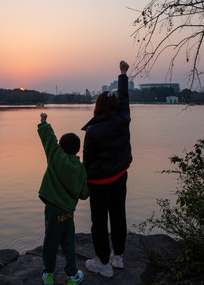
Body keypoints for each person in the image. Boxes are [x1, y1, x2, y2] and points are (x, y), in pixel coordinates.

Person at [81, 60, 132, 278]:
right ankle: (117, 256)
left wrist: (82, 180)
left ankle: (103, 262)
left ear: (98, 107)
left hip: (99, 182)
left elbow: (88, 160)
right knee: (119, 214)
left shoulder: (93, 130)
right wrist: (122, 74)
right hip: (120, 176)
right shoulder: (123, 119)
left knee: (99, 221)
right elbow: (124, 99)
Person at [38, 113, 89, 285]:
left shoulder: (56, 157)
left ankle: (48, 274)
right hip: (68, 212)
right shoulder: (81, 168)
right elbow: (84, 194)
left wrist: (44, 122)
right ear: (77, 150)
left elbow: (48, 139)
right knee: (68, 243)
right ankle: (72, 276)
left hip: (53, 210)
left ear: (60, 148)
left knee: (51, 241)